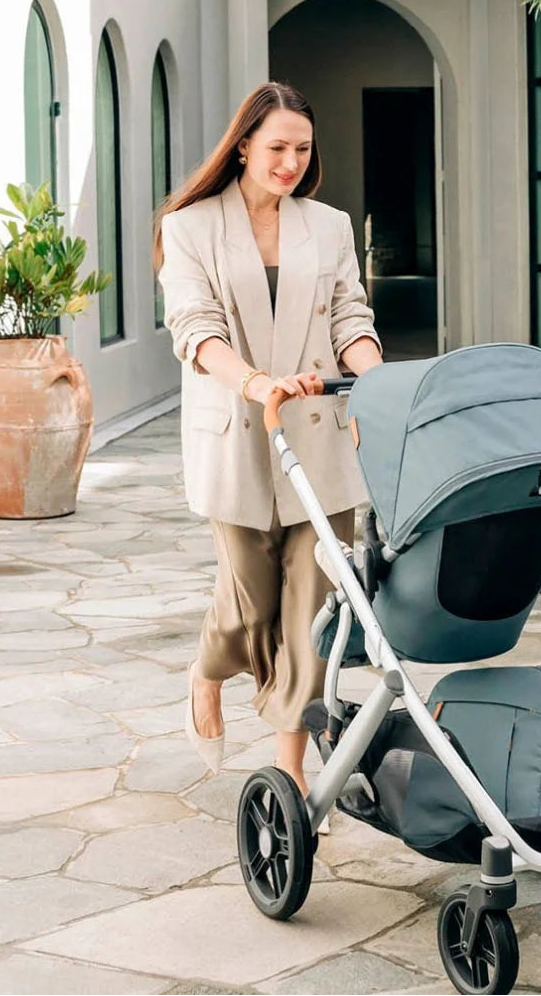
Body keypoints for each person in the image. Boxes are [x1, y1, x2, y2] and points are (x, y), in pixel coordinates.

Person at [153, 82, 383, 802]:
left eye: (303, 149)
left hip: (318, 434)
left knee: (312, 612)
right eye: (277, 146)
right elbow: (193, 328)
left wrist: (376, 382)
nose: (290, 161)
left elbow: (350, 315)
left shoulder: (330, 224)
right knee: (249, 602)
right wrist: (253, 382)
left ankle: (289, 774)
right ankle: (208, 671)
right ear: (243, 144)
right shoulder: (190, 226)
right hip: (238, 429)